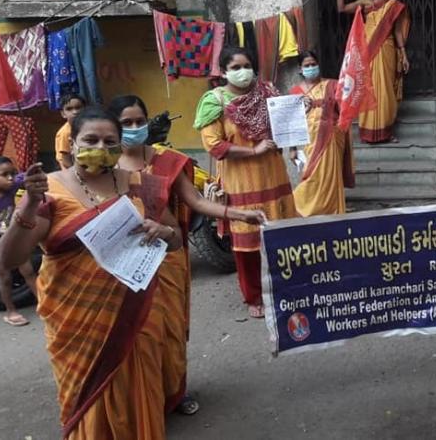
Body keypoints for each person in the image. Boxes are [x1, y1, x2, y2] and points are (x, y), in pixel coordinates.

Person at [0, 108, 183, 439]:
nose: (101, 146)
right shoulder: (49, 190)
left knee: (141, 398)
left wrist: (164, 232)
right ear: (73, 143)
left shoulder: (141, 184)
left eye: (110, 141)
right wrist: (27, 206)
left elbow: (176, 239)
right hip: (77, 323)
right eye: (91, 140)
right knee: (91, 406)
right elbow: (9, 257)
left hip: (137, 315)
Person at [107, 94, 265, 415]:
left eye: (140, 121)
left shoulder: (166, 161)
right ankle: (144, 401)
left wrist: (238, 215)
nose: (135, 128)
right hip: (123, 266)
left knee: (170, 332)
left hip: (167, 260)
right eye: (127, 123)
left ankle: (174, 394)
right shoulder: (104, 168)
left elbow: (195, 202)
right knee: (137, 338)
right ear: (115, 127)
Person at [194, 46, 297, 319]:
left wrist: (299, 111)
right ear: (224, 71)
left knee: (279, 237)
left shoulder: (268, 93)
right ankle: (253, 296)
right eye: (236, 67)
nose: (243, 71)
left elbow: (285, 126)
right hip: (241, 183)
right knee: (247, 244)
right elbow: (213, 146)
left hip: (274, 177)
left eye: (247, 65)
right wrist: (253, 150)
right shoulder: (214, 101)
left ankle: (283, 290)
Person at [337, 0, 411, 144]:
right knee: (367, 88)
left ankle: (387, 131)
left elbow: (398, 32)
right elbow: (341, 8)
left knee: (386, 90)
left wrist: (404, 55)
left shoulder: (393, 5)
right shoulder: (365, 2)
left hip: (387, 51)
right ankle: (367, 132)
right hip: (366, 52)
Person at [289, 51, 355, 216]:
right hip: (309, 140)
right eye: (307, 65)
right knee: (313, 176)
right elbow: (292, 122)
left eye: (313, 64)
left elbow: (344, 110)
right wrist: (292, 148)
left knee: (330, 176)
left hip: (332, 136)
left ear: (318, 65)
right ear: (300, 69)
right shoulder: (295, 91)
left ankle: (331, 209)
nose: (311, 68)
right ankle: (299, 205)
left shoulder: (333, 85)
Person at [0, 156, 37, 326]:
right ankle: (10, 311)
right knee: (5, 278)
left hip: (14, 239)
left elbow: (21, 178)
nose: (10, 178)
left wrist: (30, 173)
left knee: (29, 272)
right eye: (4, 174)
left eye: (12, 174)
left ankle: (44, 304)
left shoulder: (11, 188)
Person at [54, 93, 85, 170]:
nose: (75, 112)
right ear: (63, 114)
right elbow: (65, 161)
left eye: (78, 108)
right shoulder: (65, 133)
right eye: (69, 109)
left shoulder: (87, 127)